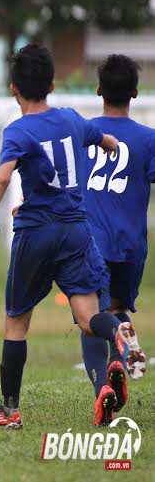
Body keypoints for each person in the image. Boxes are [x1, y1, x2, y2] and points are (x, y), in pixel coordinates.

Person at [0, 44, 146, 430]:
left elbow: (4, 176)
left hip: (37, 233)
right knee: (89, 316)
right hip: (77, 232)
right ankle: (120, 334)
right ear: (53, 84)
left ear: (14, 88)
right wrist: (107, 147)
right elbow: (106, 141)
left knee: (17, 324)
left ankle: (10, 411)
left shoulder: (19, 130)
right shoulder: (72, 119)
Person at [80, 54, 155, 418]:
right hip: (131, 242)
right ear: (136, 93)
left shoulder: (81, 133)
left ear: (98, 91)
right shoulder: (148, 139)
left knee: (90, 315)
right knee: (117, 309)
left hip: (89, 240)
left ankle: (102, 391)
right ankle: (121, 358)